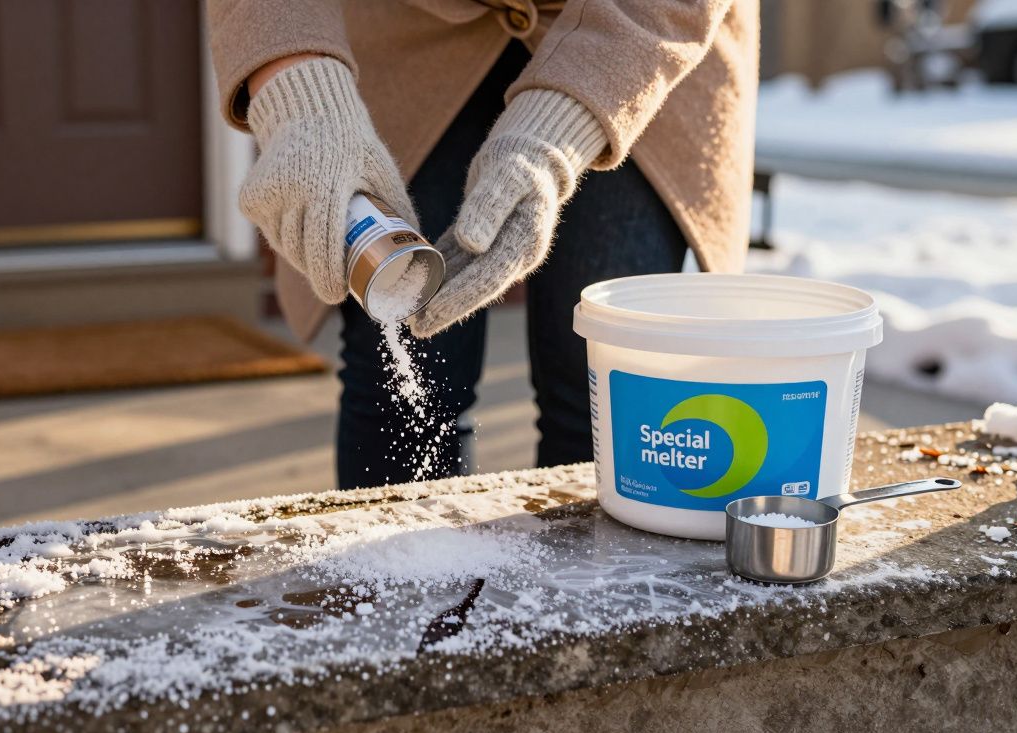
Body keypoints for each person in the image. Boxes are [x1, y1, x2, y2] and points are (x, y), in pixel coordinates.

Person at [207, 1, 758, 488]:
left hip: (634, 38)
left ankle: (583, 598)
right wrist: (301, 100)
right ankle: (399, 596)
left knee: (603, 387)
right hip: (402, 27)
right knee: (404, 390)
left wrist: (558, 133)